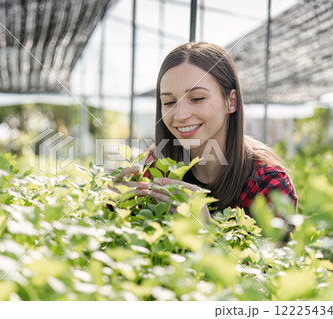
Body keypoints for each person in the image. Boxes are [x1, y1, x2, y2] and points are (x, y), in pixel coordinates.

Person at [112, 42, 297, 222]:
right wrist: (116, 208)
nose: (180, 115)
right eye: (168, 102)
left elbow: (276, 253)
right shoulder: (158, 162)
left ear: (231, 102)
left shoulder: (268, 183)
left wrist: (207, 231)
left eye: (197, 98)